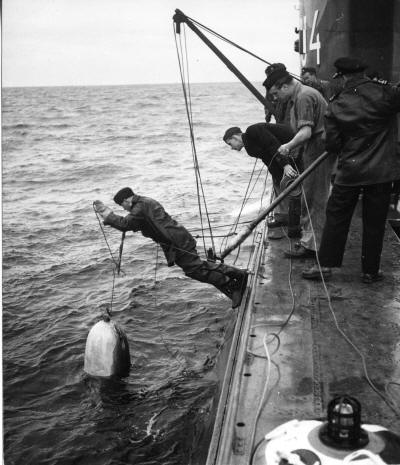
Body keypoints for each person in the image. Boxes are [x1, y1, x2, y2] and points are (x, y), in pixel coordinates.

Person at [302, 57, 400, 283]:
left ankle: (325, 267)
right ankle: (370, 271)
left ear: (342, 76)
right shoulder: (387, 94)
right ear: (364, 73)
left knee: (336, 218)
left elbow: (333, 144)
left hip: (350, 172)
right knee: (375, 222)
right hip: (381, 172)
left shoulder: (336, 103)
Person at [94, 188, 248, 308]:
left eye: (123, 205)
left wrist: (106, 214)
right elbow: (134, 222)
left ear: (127, 200)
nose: (124, 209)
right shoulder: (145, 202)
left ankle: (234, 282)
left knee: (195, 270)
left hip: (177, 242)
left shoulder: (139, 208)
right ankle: (235, 278)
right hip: (178, 239)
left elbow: (125, 224)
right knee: (197, 268)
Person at [265, 67, 335, 259]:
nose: (276, 98)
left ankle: (314, 248)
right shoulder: (300, 95)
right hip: (313, 149)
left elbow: (306, 132)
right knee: (310, 197)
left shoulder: (304, 96)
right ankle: (311, 242)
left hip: (318, 149)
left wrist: (287, 146)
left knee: (315, 199)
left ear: (285, 85)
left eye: (276, 93)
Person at [223, 123, 301, 238]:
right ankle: (284, 217)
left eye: (230, 144)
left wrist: (286, 165)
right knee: (279, 183)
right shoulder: (250, 149)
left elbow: (273, 144)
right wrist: (279, 178)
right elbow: (268, 159)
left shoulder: (253, 131)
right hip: (282, 155)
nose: (232, 148)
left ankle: (297, 222)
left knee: (295, 189)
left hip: (295, 145)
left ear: (235, 137)